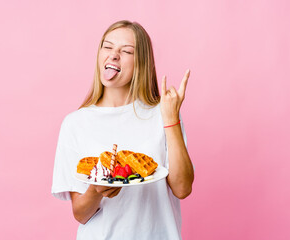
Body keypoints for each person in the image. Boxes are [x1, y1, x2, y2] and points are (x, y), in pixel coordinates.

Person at [51, 20, 194, 240]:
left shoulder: (163, 112)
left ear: (141, 63)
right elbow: (80, 214)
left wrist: (171, 119)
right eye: (107, 47)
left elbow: (182, 188)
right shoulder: (75, 123)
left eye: (126, 51)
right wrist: (95, 190)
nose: (114, 54)